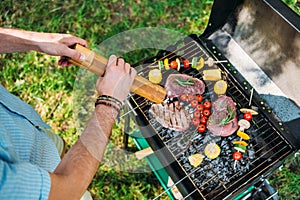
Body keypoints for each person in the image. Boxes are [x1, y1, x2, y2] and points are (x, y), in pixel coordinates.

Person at [0, 27, 137, 199]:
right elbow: (65, 193)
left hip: (27, 134)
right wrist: (110, 101)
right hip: (59, 190)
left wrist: (39, 41)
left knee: (55, 146)